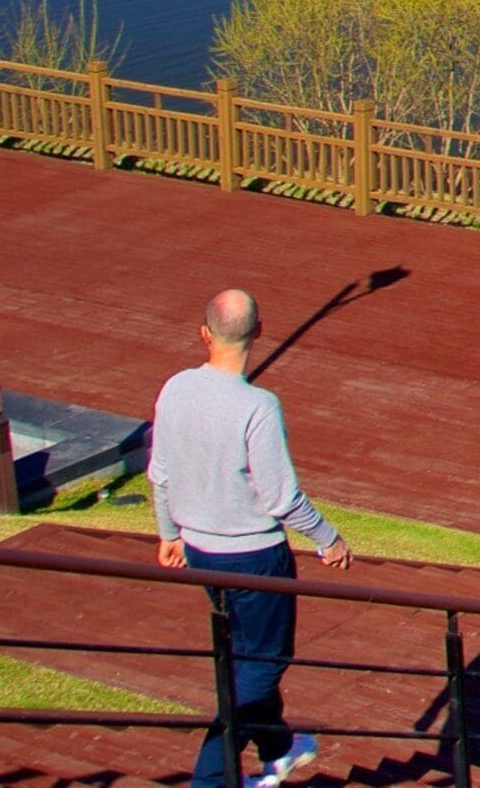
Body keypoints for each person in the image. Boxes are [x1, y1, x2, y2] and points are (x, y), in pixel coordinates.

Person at [152, 288, 352, 788]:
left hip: (200, 549)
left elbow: (159, 473)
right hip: (255, 556)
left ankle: (278, 748)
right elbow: (281, 498)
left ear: (204, 334)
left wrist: (169, 532)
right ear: (259, 334)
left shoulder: (174, 387)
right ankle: (211, 777)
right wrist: (328, 539)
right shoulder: (258, 405)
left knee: (245, 654)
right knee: (264, 662)